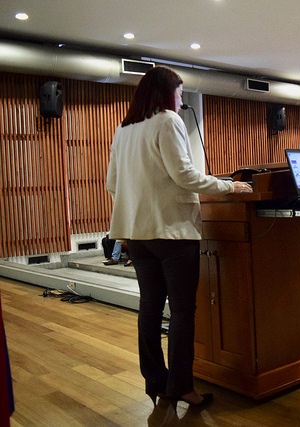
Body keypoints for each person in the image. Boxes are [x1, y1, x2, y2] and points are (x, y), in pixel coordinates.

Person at [106, 66, 252, 407]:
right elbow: (185, 175)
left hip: (137, 236)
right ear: (166, 94)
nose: (182, 100)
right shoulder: (168, 121)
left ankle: (155, 382)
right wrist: (230, 186)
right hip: (172, 234)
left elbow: (113, 184)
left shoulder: (124, 130)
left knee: (149, 308)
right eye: (180, 93)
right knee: (183, 311)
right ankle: (182, 387)